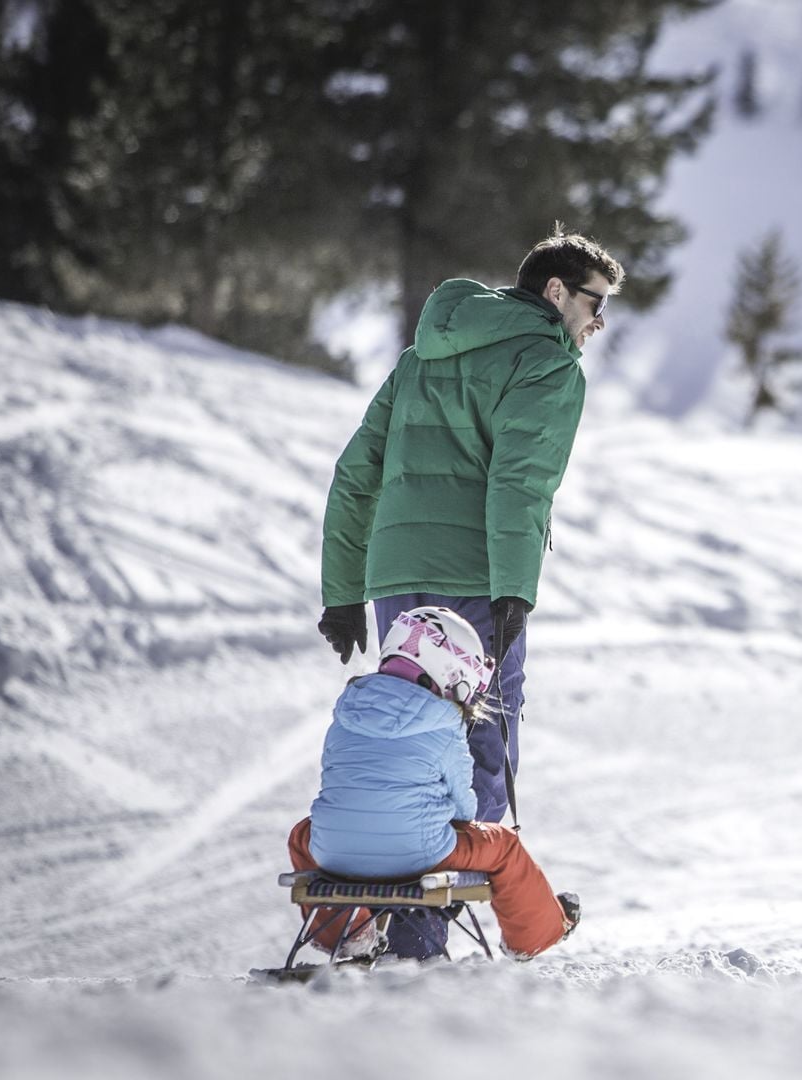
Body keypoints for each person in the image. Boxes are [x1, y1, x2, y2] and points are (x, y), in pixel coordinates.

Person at [315, 228, 620, 955]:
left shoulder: (423, 353)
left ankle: (371, 921)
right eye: (594, 302)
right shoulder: (547, 362)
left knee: (403, 730)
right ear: (555, 293)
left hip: (397, 577)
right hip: (478, 582)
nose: (598, 322)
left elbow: (356, 472)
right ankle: (422, 945)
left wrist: (343, 590)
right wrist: (515, 591)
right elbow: (520, 483)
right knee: (482, 742)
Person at [288, 606, 579, 960]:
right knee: (502, 844)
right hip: (418, 854)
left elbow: (337, 782)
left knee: (304, 834)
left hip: (336, 852)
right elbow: (465, 807)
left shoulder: (347, 711)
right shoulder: (443, 721)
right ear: (450, 673)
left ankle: (349, 934)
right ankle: (535, 935)